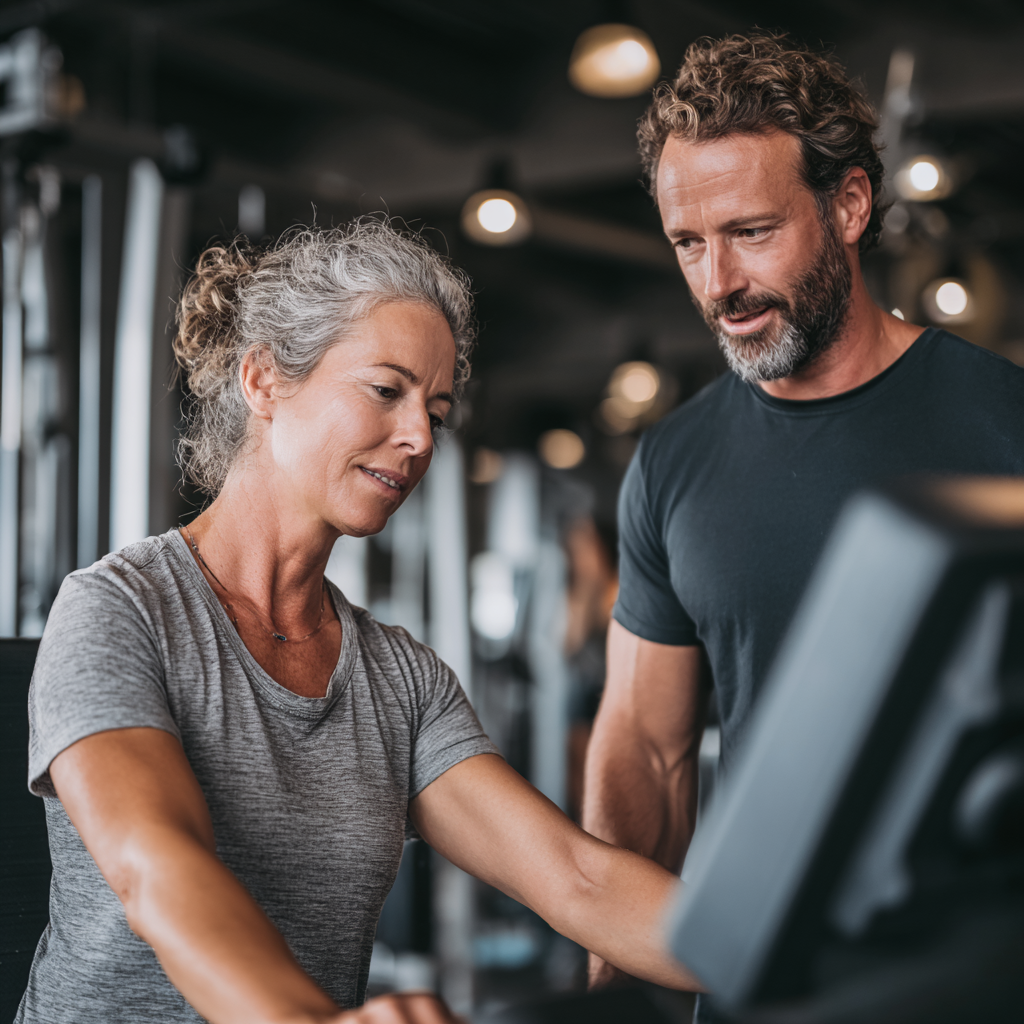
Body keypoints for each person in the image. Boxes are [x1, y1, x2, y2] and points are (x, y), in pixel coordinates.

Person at [20, 221, 700, 1024]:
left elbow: (575, 876)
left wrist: (794, 956)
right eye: (387, 390)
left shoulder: (398, 680)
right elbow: (156, 868)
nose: (418, 438)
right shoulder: (120, 609)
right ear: (265, 381)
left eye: (437, 413)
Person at [582, 32, 1024, 999]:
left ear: (851, 205)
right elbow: (648, 753)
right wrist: (613, 993)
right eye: (688, 243)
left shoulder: (1007, 425)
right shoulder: (671, 464)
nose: (717, 285)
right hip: (773, 984)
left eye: (750, 232)